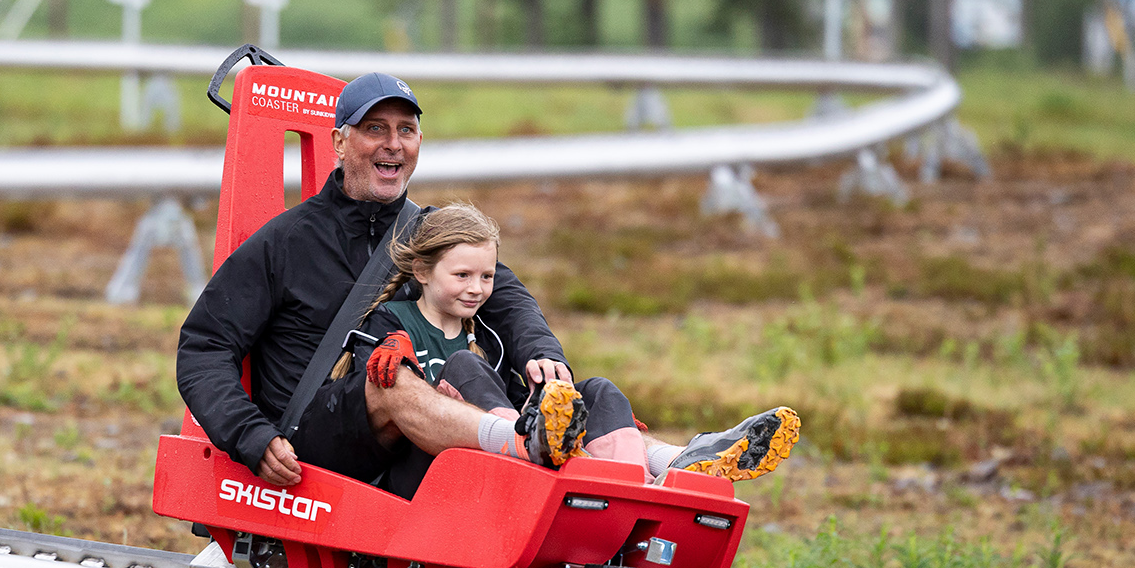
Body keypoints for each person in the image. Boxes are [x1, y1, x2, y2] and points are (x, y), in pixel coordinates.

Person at [174, 70, 797, 500]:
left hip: (424, 431)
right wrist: (251, 437)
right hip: (319, 434)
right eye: (375, 130)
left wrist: (543, 357)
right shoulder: (285, 243)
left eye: (406, 130)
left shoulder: (430, 231)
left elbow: (509, 296)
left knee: (588, 390)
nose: (393, 145)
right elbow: (202, 348)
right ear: (340, 143)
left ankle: (665, 467)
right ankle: (532, 452)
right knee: (389, 381)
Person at [327, 202, 799, 490]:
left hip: (499, 464)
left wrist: (545, 387)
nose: (477, 289)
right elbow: (383, 375)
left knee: (599, 391)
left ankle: (672, 468)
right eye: (463, 276)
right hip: (430, 465)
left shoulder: (487, 333)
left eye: (487, 276)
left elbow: (516, 379)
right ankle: (532, 444)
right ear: (424, 273)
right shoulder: (398, 320)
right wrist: (382, 354)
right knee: (464, 366)